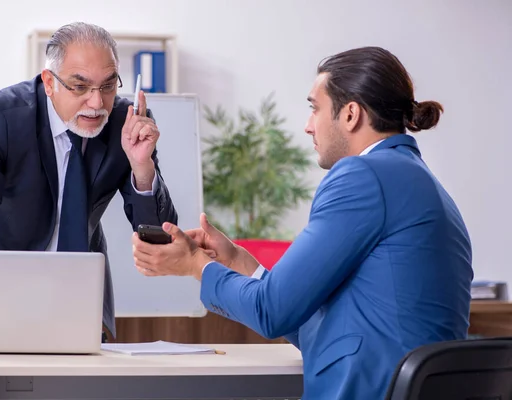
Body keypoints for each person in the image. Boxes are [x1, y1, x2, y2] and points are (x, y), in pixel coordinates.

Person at [131, 46, 473, 399]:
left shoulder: (362, 176)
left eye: (314, 108)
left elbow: (271, 312)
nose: (308, 126)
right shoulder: (419, 181)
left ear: (351, 114)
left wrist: (195, 265)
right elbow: (322, 321)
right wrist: (236, 262)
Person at [0, 22, 178, 349]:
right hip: (0, 295)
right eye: (80, 87)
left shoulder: (126, 121)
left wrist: (141, 166)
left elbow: (159, 237)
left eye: (108, 86)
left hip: (79, 302)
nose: (96, 103)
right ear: (49, 82)